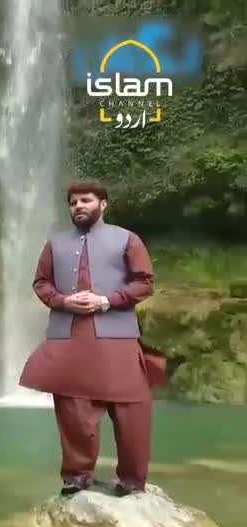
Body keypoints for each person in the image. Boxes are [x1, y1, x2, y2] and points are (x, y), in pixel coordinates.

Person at [20, 179, 165, 497]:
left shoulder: (127, 239)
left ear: (103, 204)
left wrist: (105, 301)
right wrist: (64, 301)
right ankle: (77, 476)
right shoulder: (55, 244)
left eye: (86, 200)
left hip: (118, 337)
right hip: (68, 337)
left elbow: (144, 282)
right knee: (73, 407)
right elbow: (41, 283)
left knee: (131, 407)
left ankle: (132, 480)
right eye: (73, 203)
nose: (78, 206)